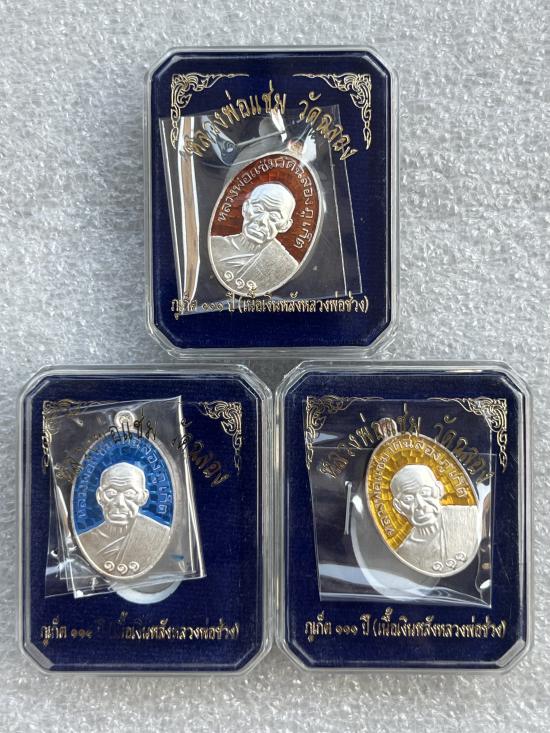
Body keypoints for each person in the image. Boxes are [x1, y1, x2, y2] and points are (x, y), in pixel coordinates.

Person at [79, 462, 169, 576]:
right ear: (99, 496)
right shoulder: (85, 540)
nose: (119, 503)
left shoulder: (160, 535)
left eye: (130, 493)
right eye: (111, 493)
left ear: (143, 497)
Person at [390, 464, 479, 574]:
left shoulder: (469, 517)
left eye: (425, 492)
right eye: (408, 498)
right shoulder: (405, 553)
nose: (421, 505)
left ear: (439, 490)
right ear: (398, 506)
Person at [211, 182, 299, 294]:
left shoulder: (286, 266)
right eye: (258, 209)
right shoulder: (215, 245)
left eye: (274, 216)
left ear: (285, 225)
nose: (262, 220)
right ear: (245, 208)